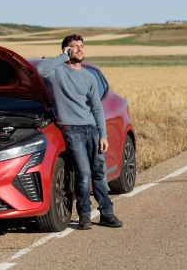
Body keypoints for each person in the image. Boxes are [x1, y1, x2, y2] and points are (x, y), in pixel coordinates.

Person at [36, 34, 122, 230]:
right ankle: (84, 215)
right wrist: (62, 57)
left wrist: (103, 134)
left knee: (99, 172)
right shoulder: (57, 72)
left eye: (81, 46)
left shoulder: (89, 77)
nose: (79, 49)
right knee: (83, 174)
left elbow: (97, 108)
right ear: (66, 50)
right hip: (72, 130)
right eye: (74, 46)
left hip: (92, 129)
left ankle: (107, 214)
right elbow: (41, 70)